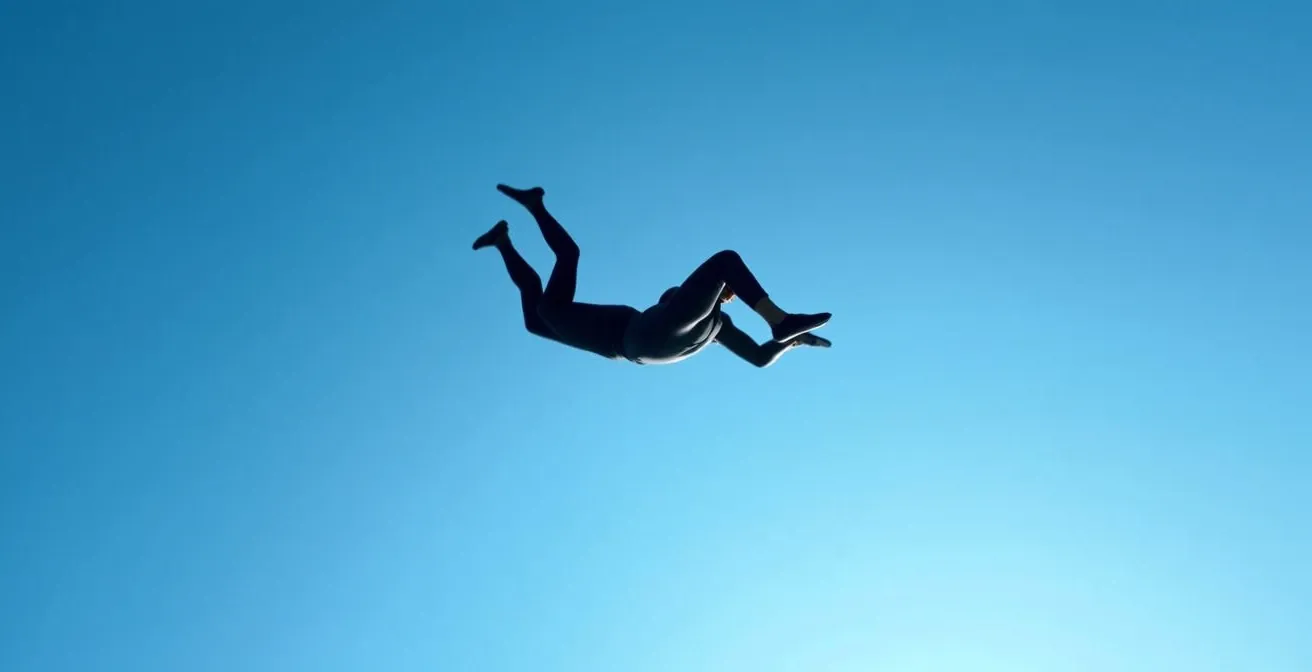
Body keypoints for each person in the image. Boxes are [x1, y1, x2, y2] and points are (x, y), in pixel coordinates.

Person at [472, 184, 832, 367]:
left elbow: (756, 355)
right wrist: (795, 342)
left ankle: (535, 206)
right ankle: (504, 240)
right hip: (644, 348)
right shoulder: (720, 329)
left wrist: (789, 336)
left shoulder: (709, 324)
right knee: (536, 321)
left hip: (642, 342)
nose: (670, 296)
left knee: (725, 261)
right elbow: (759, 358)